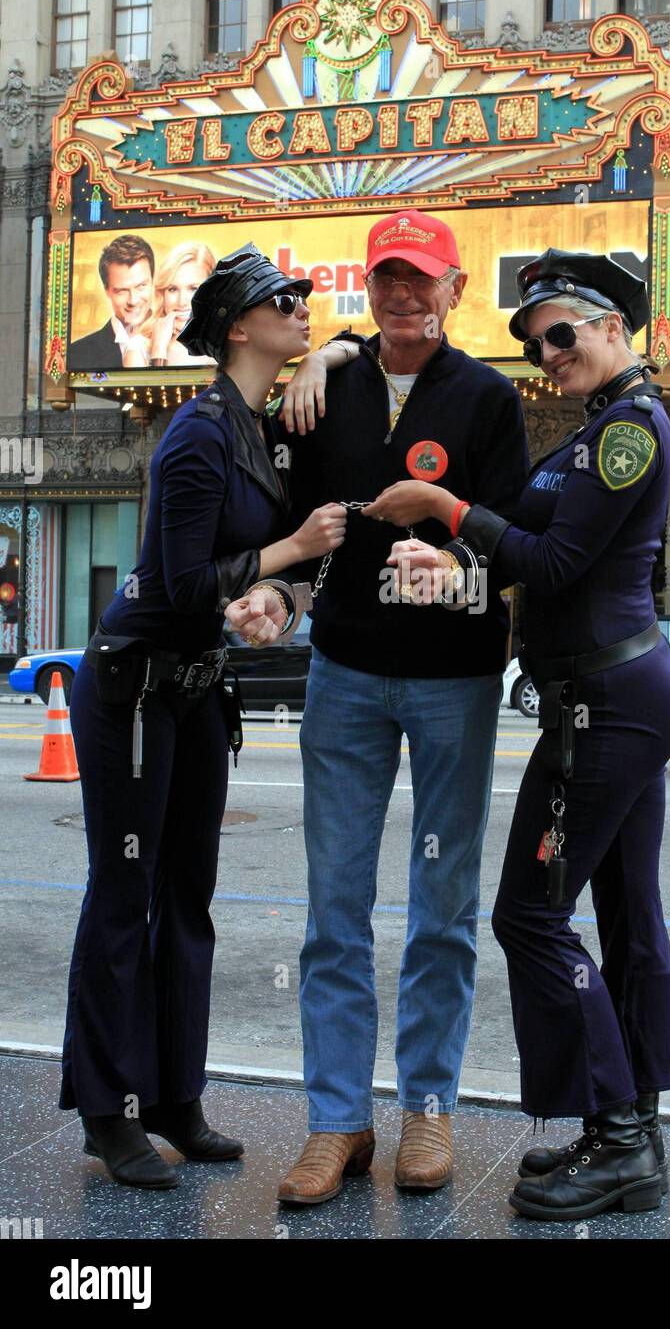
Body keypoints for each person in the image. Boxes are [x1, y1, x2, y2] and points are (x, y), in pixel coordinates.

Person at [381, 250, 670, 1221]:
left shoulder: (624, 433)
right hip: (609, 691)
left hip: (604, 700)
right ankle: (625, 1131)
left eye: (561, 332)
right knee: (625, 916)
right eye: (532, 340)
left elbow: (553, 563)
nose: (546, 352)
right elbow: (531, 548)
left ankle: (617, 1140)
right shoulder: (595, 432)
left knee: (527, 915)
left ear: (612, 328)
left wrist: (444, 509)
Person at [242, 208, 529, 1204]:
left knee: (442, 910)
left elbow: (508, 540)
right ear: (366, 289)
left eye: (423, 280)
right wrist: (273, 597)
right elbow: (291, 534)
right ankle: (334, 1123)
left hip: (453, 681)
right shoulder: (324, 394)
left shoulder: (488, 399)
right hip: (346, 677)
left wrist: (448, 556)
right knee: (333, 909)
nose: (405, 296)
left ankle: (429, 1108)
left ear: (454, 288)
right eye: (387, 280)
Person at [60, 244, 346, 1189]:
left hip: (196, 693)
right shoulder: (197, 432)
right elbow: (182, 584)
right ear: (236, 326)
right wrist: (287, 552)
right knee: (124, 901)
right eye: (283, 300)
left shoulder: (260, 430)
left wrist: (282, 596)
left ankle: (175, 1098)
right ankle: (108, 1113)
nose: (301, 306)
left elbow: (281, 573)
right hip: (135, 686)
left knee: (188, 903)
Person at [123, 241, 217, 368]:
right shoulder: (138, 349)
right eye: (172, 289)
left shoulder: (228, 348)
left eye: (193, 289)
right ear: (162, 294)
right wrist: (158, 350)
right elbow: (153, 389)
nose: (182, 302)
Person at [68, 234, 154, 371]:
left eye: (141, 286)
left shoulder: (181, 343)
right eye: (122, 291)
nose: (133, 300)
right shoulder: (77, 354)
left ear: (153, 281)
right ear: (106, 290)